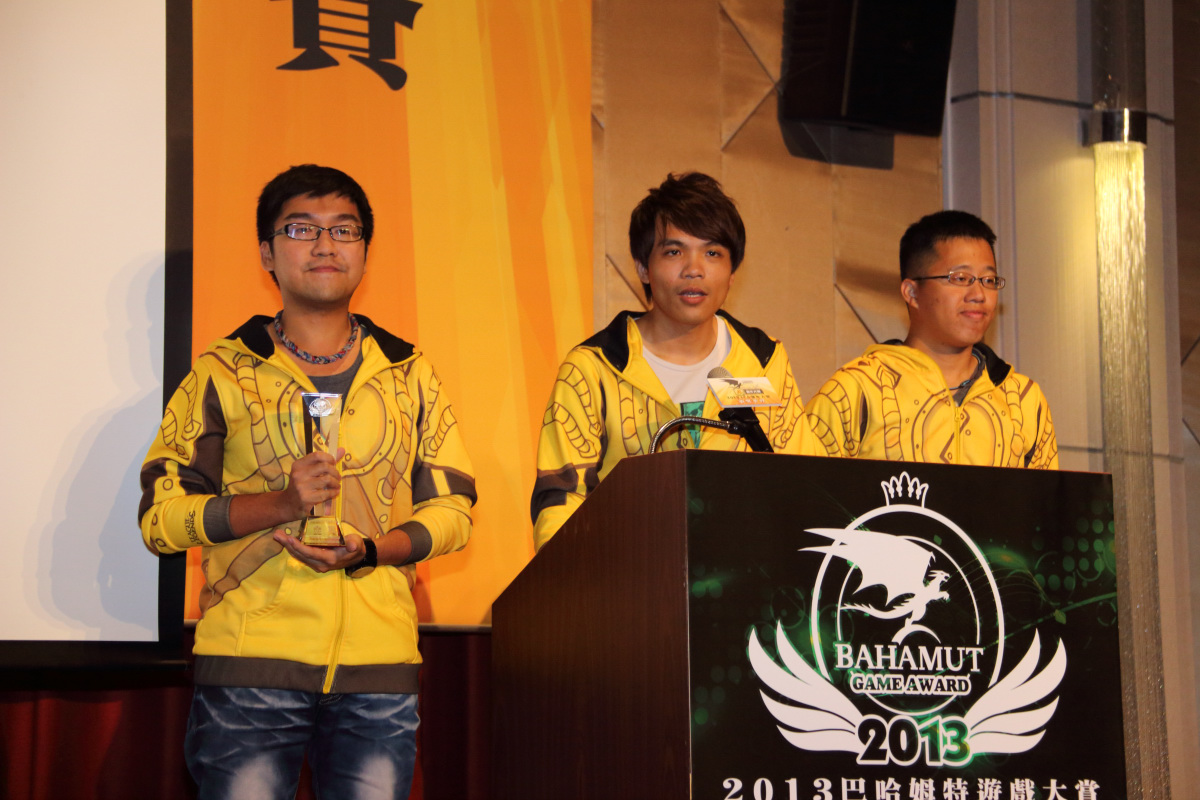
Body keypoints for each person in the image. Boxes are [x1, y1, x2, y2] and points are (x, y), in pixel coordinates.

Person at [138, 164, 476, 799]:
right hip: (250, 667)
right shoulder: (223, 372)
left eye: (343, 230)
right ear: (267, 253)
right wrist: (281, 504)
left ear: (365, 252)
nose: (325, 244)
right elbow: (160, 520)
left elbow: (454, 512)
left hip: (378, 672)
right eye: (301, 229)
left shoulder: (409, 373)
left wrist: (371, 551)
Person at [530, 172, 820, 550]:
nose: (694, 269)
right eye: (674, 252)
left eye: (712, 253)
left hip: (743, 572)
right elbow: (562, 502)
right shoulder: (593, 370)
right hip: (629, 573)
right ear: (643, 267)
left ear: (732, 272)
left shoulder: (764, 360)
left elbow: (804, 482)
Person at [804, 210, 1058, 468]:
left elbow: (1048, 494)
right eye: (960, 278)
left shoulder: (1023, 400)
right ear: (912, 293)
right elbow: (805, 486)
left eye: (989, 280)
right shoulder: (857, 390)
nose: (979, 294)